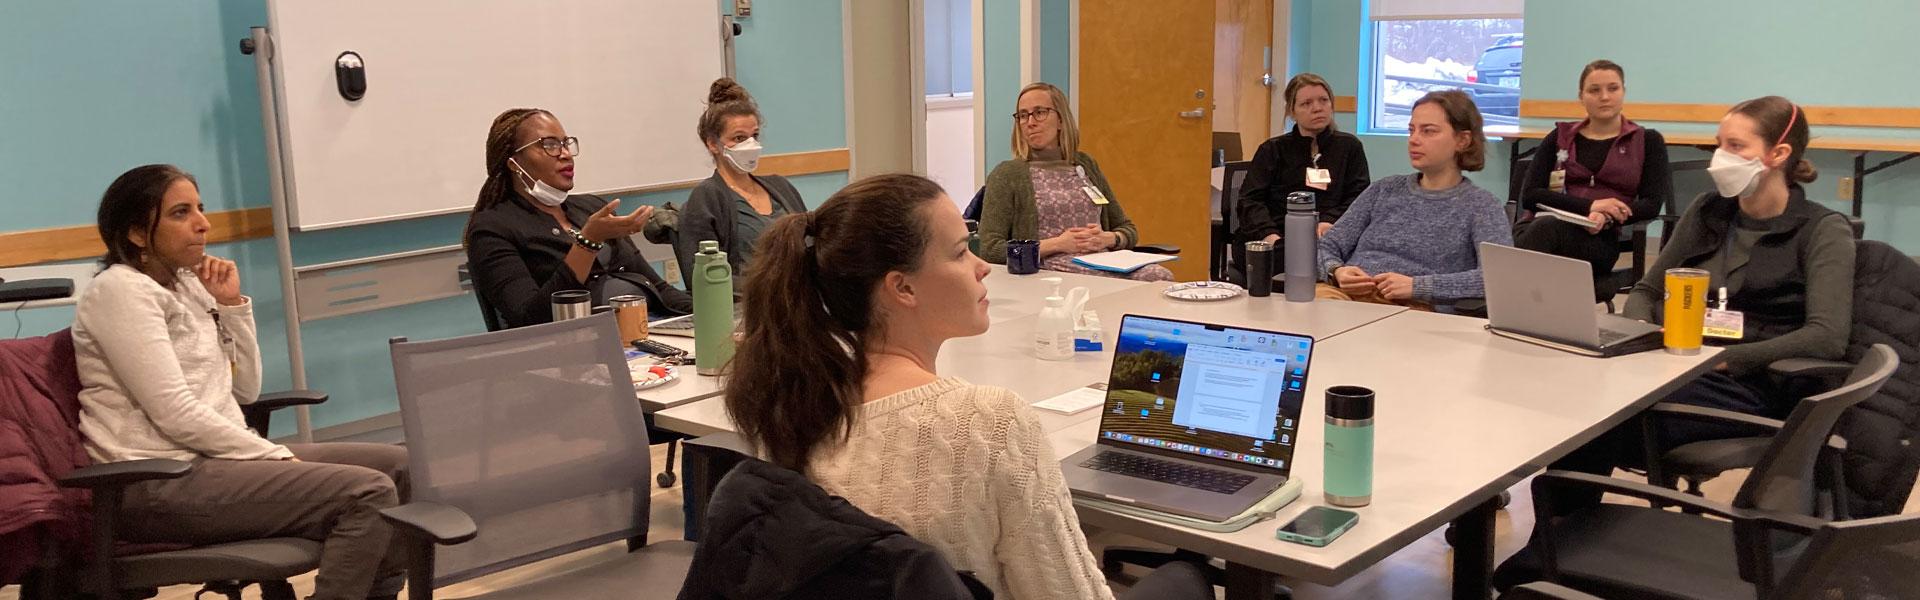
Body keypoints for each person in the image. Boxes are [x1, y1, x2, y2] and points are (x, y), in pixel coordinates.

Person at [724, 174, 1209, 600]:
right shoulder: (987, 421)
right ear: (903, 288)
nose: (981, 266)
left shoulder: (795, 399)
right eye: (960, 252)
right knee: (1186, 577)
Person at [73, 165, 408, 600]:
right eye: (180, 212)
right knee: (368, 491)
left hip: (213, 463)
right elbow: (174, 413)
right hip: (156, 480)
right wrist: (271, 454)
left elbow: (244, 391)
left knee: (401, 467)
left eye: (200, 208)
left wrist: (231, 307)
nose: (202, 223)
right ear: (138, 233)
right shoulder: (120, 292)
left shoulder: (188, 284)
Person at [1548, 96, 1855, 500]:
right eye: (1719, 144)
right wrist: (1642, 332)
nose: (1720, 158)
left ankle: (1555, 544)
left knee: (1601, 417)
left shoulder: (1823, 230)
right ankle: (1557, 541)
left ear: (1778, 154)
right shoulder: (1710, 210)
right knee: (1578, 391)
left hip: (1754, 385)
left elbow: (1827, 336)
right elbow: (1646, 290)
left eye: (1736, 146)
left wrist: (1728, 358)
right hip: (1677, 365)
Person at [464, 108, 692, 329]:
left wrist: (714, 315)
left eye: (565, 143)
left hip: (646, 331)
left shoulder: (590, 207)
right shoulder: (491, 229)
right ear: (514, 163)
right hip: (574, 350)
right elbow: (531, 319)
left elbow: (657, 287)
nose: (565, 154)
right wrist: (588, 241)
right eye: (549, 145)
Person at [1315, 90, 1511, 308]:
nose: (1414, 140)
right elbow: (1326, 245)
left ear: (1462, 140)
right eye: (1412, 130)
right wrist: (1336, 271)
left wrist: (1418, 286)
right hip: (1345, 297)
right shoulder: (1384, 189)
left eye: (1428, 131)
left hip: (1413, 307)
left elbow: (1498, 278)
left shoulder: (1481, 205)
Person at [977, 82, 1173, 281]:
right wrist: (1058, 244)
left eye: (1040, 112)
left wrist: (1109, 238)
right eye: (1023, 115)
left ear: (1061, 119)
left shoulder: (1085, 164)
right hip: (1052, 270)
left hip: (1104, 260)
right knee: (1119, 284)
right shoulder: (1007, 174)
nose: (1030, 122)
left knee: (1159, 276)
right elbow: (990, 249)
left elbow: (1126, 228)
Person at [1514, 60, 1673, 299]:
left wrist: (1607, 216)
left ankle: (1515, 307)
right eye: (1594, 90)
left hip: (1598, 239)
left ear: (1623, 92)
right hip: (1544, 225)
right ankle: (1531, 309)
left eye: (1613, 88)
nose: (1604, 97)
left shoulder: (1647, 141)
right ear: (1581, 96)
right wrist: (1591, 206)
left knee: (1539, 236)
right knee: (1540, 230)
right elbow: (1530, 196)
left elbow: (1651, 204)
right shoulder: (1559, 137)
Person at [1234, 73, 1371, 281]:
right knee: (1288, 258)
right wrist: (1270, 235)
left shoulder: (1349, 147)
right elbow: (1249, 201)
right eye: (1306, 103)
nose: (1317, 108)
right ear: (1292, 111)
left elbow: (1360, 198)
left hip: (1329, 236)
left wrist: (1329, 221)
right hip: (1278, 238)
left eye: (1323, 100)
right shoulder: (1273, 149)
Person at [674, 78, 807, 291]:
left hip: (802, 299)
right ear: (712, 144)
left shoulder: (781, 187)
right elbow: (704, 279)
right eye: (739, 138)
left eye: (754, 135)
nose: (750, 145)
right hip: (752, 306)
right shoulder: (707, 198)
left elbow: (812, 244)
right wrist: (773, 287)